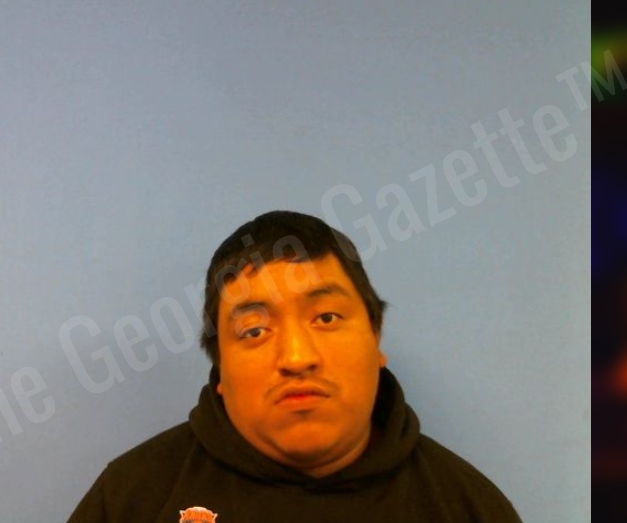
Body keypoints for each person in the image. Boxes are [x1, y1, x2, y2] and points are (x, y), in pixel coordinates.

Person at [68, 210, 522, 522]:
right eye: (254, 331)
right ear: (220, 366)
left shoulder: (466, 506)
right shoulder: (131, 498)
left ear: (376, 337)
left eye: (326, 318)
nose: (297, 358)